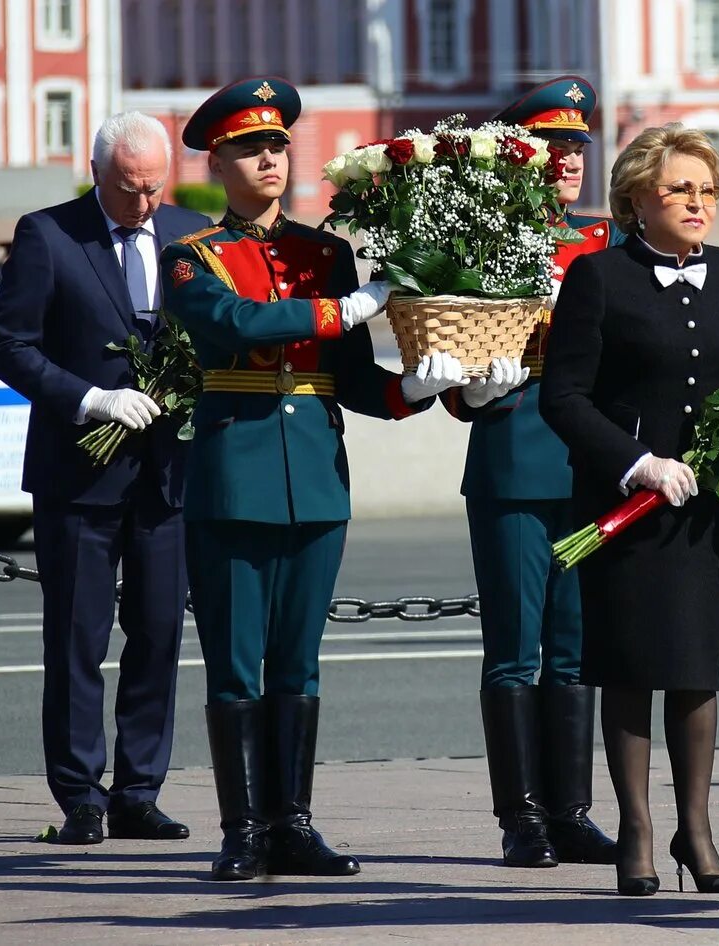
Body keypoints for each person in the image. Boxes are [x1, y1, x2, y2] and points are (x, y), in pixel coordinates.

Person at [159, 76, 466, 882]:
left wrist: (422, 388)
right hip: (235, 477)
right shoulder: (193, 259)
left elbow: (355, 379)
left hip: (316, 481)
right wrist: (345, 309)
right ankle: (242, 830)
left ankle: (292, 823)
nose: (269, 157)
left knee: (298, 662)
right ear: (218, 161)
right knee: (234, 662)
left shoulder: (324, 254)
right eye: (250, 147)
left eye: (276, 145)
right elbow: (235, 327)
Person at [540, 124, 719, 898]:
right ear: (639, 197)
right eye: (681, 190)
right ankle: (636, 828)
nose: (698, 204)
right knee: (631, 666)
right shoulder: (599, 277)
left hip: (707, 509)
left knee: (697, 671)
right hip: (626, 507)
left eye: (708, 191)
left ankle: (695, 828)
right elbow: (563, 397)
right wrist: (637, 464)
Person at [0, 112, 210, 846]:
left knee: (156, 636)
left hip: (164, 478)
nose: (143, 204)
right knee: (78, 641)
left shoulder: (193, 230)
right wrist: (91, 399)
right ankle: (81, 796)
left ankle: (139, 792)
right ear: (98, 174)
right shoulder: (49, 235)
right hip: (78, 479)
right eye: (128, 190)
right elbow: (10, 348)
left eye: (154, 189)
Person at [441, 75, 624, 869]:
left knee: (577, 646)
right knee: (516, 649)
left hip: (588, 470)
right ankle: (521, 818)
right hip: (515, 463)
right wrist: (479, 378)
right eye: (552, 146)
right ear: (518, 155)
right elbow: (451, 375)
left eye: (578, 146)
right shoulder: (477, 241)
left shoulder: (607, 240)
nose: (569, 160)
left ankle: (572, 811)